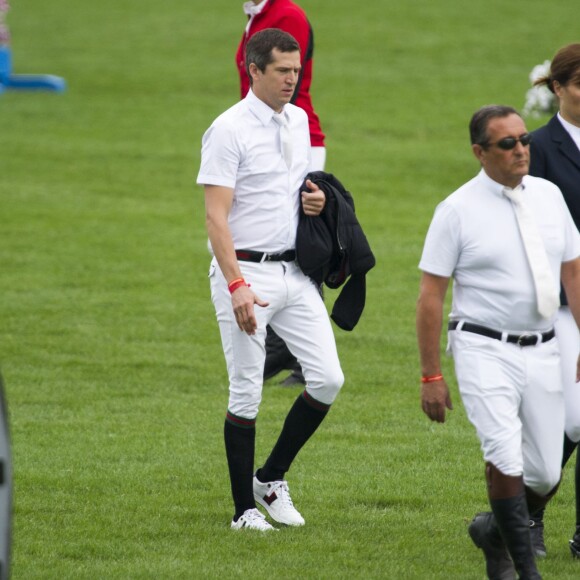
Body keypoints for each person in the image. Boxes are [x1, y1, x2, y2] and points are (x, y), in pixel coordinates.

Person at [416, 104, 580, 579]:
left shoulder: (549, 197)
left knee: (547, 473)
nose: (521, 150)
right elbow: (431, 297)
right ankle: (519, 568)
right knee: (505, 455)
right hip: (483, 347)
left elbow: (573, 272)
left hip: (546, 346)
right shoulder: (456, 210)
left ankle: (493, 531)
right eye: (507, 144)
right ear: (479, 152)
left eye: (524, 140)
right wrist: (431, 375)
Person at [197, 28, 344, 531]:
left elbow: (295, 188)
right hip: (246, 274)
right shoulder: (227, 129)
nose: (292, 80)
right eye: (282, 71)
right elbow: (216, 218)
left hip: (294, 272)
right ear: (253, 70)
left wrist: (315, 201)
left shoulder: (298, 119)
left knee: (328, 379)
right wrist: (236, 284)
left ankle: (270, 478)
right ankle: (242, 512)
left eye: (297, 72)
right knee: (246, 393)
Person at [237, 0, 327, 387]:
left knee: (302, 242)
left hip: (294, 135)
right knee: (269, 235)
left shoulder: (286, 14)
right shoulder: (258, 12)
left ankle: (303, 356)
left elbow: (290, 82)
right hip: (262, 134)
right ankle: (282, 346)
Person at [527, 43, 580, 559]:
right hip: (564, 302)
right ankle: (530, 513)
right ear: (557, 88)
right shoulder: (536, 149)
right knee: (575, 421)